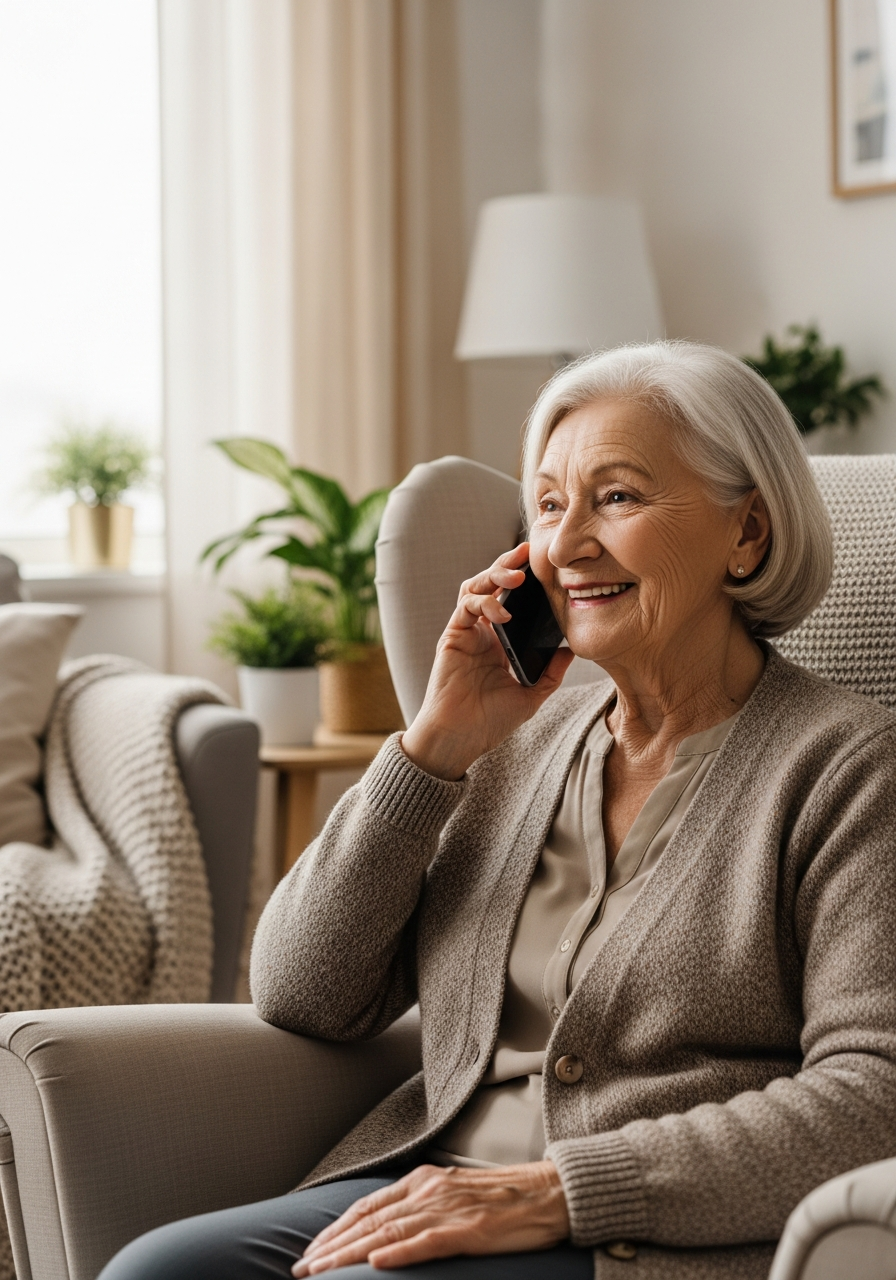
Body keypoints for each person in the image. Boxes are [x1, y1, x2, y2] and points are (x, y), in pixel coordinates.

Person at [100, 342, 896, 1280]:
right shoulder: (513, 744)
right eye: (549, 505)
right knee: (155, 1271)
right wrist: (433, 746)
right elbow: (302, 992)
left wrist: (558, 1190)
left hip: (636, 1237)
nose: (566, 546)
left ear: (748, 532)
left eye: (617, 497)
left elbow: (873, 1096)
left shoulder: (853, 769)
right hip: (428, 1183)